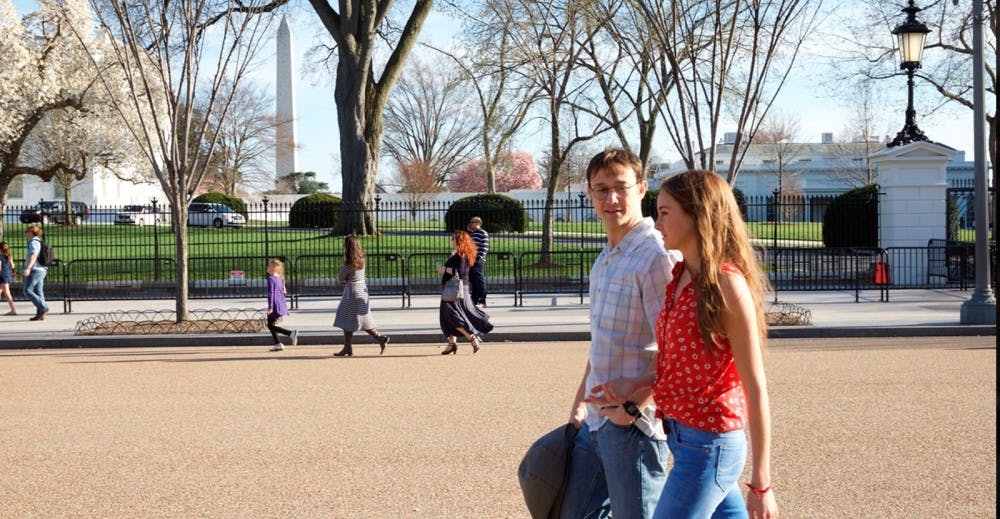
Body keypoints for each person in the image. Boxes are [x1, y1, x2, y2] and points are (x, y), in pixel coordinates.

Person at [587, 169, 778, 518]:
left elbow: (755, 385)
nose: (657, 223)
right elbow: (680, 365)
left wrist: (761, 482)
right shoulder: (679, 276)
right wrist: (638, 386)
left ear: (697, 214)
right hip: (683, 438)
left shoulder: (726, 284)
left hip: (711, 445)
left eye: (664, 213)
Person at [560, 148, 679, 519]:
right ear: (590, 193)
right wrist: (580, 402)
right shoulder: (606, 257)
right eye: (601, 189)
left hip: (634, 426)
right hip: (595, 419)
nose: (611, 198)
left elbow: (678, 349)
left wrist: (633, 404)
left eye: (620, 187)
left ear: (642, 188)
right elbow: (602, 342)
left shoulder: (656, 256)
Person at [332, 235, 390, 357]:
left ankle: (349, 347)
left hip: (352, 292)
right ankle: (378, 338)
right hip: (362, 290)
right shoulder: (361, 259)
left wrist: (346, 277)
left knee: (345, 318)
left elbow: (340, 278)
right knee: (362, 319)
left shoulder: (349, 262)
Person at [437, 230, 493, 355]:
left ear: (459, 241)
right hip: (456, 289)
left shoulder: (461, 255)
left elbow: (459, 272)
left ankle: (471, 337)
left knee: (452, 316)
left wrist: (443, 269)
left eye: (454, 240)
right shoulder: (460, 254)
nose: (452, 242)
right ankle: (452, 343)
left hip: (455, 290)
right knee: (449, 316)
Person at [265, 258, 298, 351]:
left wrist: (270, 307)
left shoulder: (271, 279)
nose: (267, 267)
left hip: (274, 305)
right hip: (279, 304)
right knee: (271, 324)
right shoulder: (279, 278)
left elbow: (271, 293)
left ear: (274, 267)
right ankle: (278, 343)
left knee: (271, 325)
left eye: (269, 265)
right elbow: (283, 292)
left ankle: (291, 333)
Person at [22, 225, 48, 321]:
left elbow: (34, 255)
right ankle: (40, 314)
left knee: (27, 290)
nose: (26, 233)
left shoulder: (33, 242)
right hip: (41, 269)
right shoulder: (39, 241)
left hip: (35, 269)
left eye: (27, 231)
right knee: (38, 292)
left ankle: (43, 307)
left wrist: (28, 268)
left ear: (31, 233)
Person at [467, 216, 490, 308]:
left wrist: (479, 258)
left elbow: (484, 247)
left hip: (478, 260)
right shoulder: (472, 234)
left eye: (472, 222)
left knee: (479, 280)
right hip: (470, 259)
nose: (470, 224)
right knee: (472, 280)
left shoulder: (483, 233)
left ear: (478, 223)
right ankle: (474, 299)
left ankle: (482, 300)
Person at [1, 241, 16, 315]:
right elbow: (13, 266)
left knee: (7, 293)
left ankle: (13, 310)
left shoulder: (0, 257)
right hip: (7, 275)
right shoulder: (9, 256)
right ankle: (13, 310)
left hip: (2, 276)